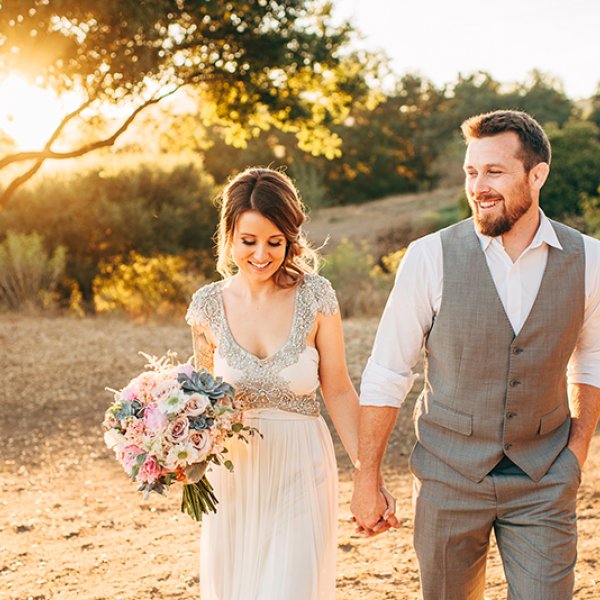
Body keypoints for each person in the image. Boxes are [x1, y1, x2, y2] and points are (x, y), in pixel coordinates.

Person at [351, 110, 600, 599]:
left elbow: (589, 362)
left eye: (494, 171)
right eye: (471, 172)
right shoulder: (429, 257)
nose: (479, 186)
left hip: (545, 477)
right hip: (448, 478)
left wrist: (576, 454)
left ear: (537, 174)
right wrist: (367, 476)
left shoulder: (590, 259)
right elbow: (387, 371)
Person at [186, 167, 395, 600]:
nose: (262, 254)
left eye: (275, 242)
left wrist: (368, 475)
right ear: (229, 234)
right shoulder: (207, 305)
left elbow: (337, 389)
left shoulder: (316, 296)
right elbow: (199, 404)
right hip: (234, 477)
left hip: (302, 469)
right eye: (249, 241)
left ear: (291, 240)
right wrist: (172, 451)